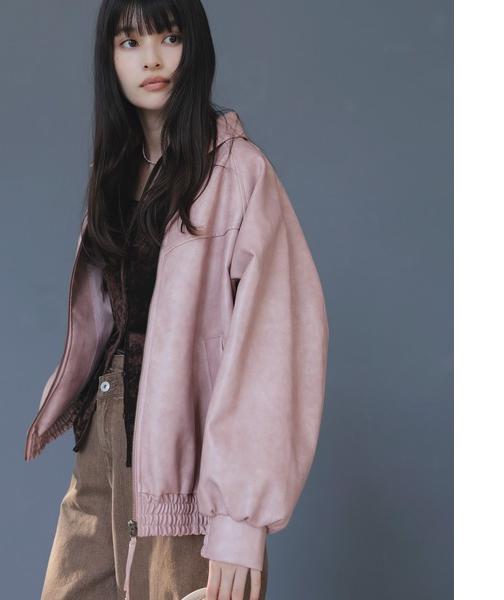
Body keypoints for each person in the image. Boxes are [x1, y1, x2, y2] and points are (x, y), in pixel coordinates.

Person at [24, 1, 330, 599]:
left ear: (196, 47)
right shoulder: (114, 174)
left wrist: (239, 522)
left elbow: (279, 346)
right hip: (102, 451)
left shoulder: (238, 173)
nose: (152, 59)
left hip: (191, 481)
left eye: (169, 37)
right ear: (109, 58)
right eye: (130, 42)